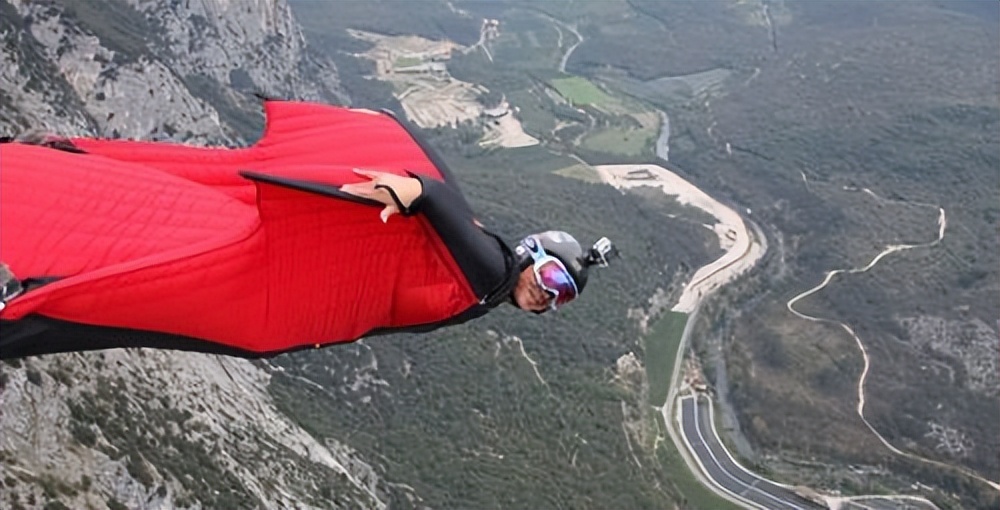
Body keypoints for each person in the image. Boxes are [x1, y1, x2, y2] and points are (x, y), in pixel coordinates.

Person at [0, 100, 618, 359]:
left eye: (559, 297)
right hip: (280, 304)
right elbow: (438, 198)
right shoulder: (490, 271)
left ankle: (58, 163)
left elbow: (443, 187)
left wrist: (396, 143)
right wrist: (413, 189)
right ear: (532, 254)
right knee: (148, 297)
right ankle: (26, 308)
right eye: (554, 278)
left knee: (172, 229)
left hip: (298, 301)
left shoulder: (488, 262)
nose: (546, 294)